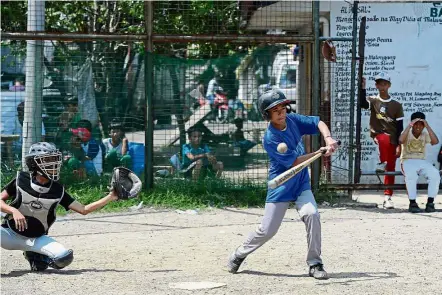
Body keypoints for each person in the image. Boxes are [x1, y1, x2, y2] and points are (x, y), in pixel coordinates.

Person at [227, 90, 339, 280]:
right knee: (267, 230)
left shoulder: (293, 119)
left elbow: (318, 122)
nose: (281, 113)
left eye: (282, 108)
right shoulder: (270, 138)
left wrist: (328, 139)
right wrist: (318, 152)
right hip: (282, 184)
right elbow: (295, 162)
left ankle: (315, 263)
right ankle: (239, 254)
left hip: (301, 182)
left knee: (312, 214)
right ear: (267, 115)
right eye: (275, 110)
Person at [1, 142, 119, 271]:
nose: (54, 164)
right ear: (34, 163)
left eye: (55, 160)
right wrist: (13, 210)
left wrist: (111, 196)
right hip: (9, 234)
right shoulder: (21, 179)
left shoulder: (57, 190)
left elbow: (84, 210)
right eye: (48, 160)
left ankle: (34, 255)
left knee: (64, 258)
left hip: (36, 239)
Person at [360, 73, 404, 209]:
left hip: (393, 139)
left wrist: (399, 145)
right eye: (380, 84)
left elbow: (400, 127)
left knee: (390, 168)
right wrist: (362, 88)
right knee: (383, 138)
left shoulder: (396, 105)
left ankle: (388, 197)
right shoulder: (373, 100)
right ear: (376, 85)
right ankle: (382, 161)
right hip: (379, 135)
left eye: (385, 84)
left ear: (389, 85)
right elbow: (362, 104)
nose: (382, 86)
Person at [398, 112, 440, 213]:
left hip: (421, 161)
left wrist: (427, 126)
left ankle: (430, 203)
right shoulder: (406, 133)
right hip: (407, 160)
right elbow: (400, 140)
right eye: (416, 124)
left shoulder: (425, 134)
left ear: (423, 125)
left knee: (435, 174)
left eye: (420, 124)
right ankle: (412, 203)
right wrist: (409, 125)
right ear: (412, 124)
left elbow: (435, 142)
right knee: (411, 176)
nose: (418, 126)